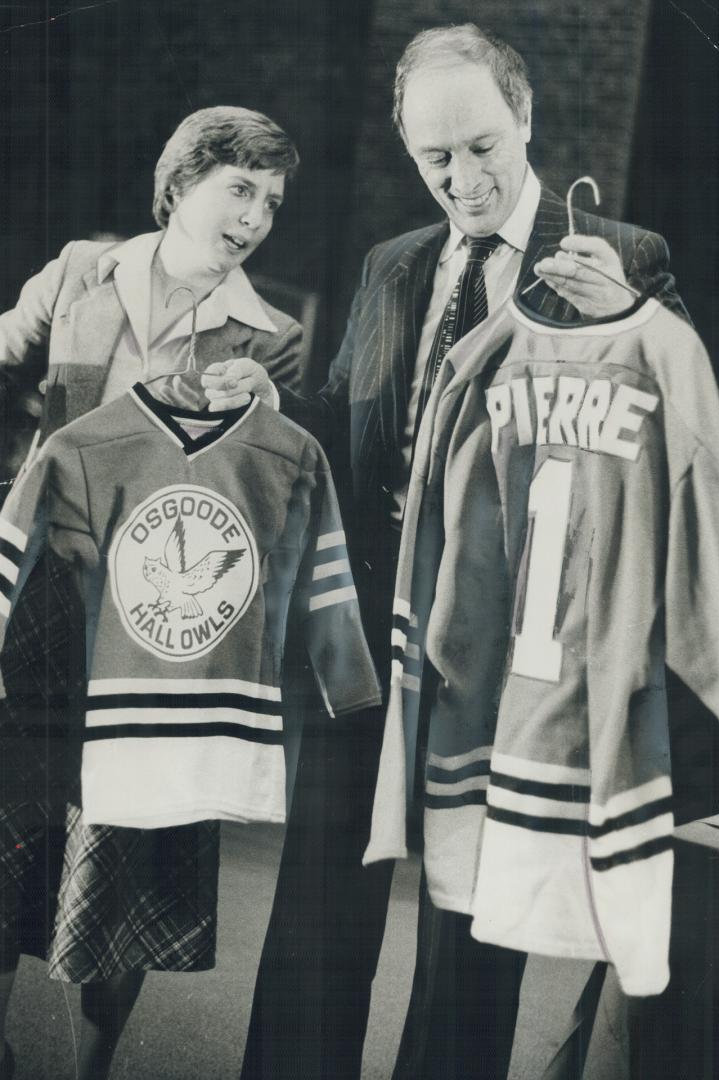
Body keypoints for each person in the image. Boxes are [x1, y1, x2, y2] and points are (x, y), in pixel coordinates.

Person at [208, 24, 689, 1080]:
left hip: (514, 635)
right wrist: (269, 404)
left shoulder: (620, 257)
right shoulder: (391, 265)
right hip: (366, 623)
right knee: (318, 906)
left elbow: (678, 444)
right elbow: (348, 424)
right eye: (435, 159)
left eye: (480, 147)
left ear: (523, 117)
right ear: (404, 145)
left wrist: (636, 325)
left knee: (473, 911)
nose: (460, 179)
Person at [0, 105, 301, 1080]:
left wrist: (272, 405)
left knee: (124, 870)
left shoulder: (272, 340)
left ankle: (94, 1072)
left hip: (160, 638)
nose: (255, 216)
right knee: (10, 842)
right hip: (42, 614)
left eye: (271, 200)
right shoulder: (83, 272)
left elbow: (273, 494)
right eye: (239, 189)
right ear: (182, 185)